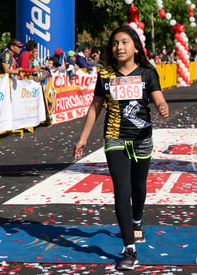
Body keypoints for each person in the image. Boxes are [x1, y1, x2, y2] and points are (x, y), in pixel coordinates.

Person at [72, 25, 169, 270]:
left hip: (141, 138)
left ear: (136, 47)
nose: (119, 47)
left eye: (125, 42)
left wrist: (162, 106)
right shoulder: (105, 75)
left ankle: (136, 221)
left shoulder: (147, 72)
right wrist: (83, 137)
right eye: (115, 43)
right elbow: (95, 107)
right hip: (114, 138)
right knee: (121, 188)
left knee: (138, 187)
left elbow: (157, 96)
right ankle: (129, 248)